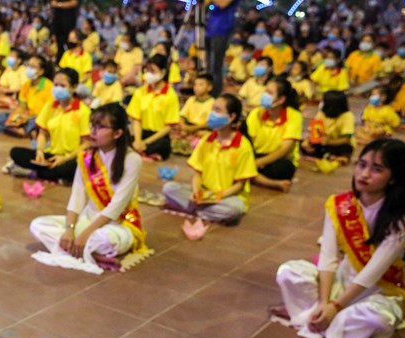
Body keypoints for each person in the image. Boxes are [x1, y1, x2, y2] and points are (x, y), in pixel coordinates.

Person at [273, 139, 405, 338]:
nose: (364, 174)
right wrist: (324, 301)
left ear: (393, 177)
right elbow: (328, 257)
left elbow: (371, 274)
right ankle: (324, 316)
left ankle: (313, 316)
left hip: (378, 289)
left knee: (378, 320)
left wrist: (335, 307)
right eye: (362, 164)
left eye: (377, 169)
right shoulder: (340, 205)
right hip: (341, 280)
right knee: (288, 272)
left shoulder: (399, 221)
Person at [30, 102, 147, 275]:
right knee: (38, 225)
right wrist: (70, 229)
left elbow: (117, 206)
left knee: (101, 240)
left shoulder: (132, 160)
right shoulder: (86, 157)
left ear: (117, 133)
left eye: (100, 127)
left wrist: (85, 234)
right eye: (93, 125)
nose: (93, 131)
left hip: (119, 225)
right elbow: (76, 197)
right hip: (87, 220)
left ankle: (82, 250)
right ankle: (91, 255)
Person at [163, 93, 258, 224]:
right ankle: (204, 211)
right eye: (213, 109)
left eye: (217, 110)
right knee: (169, 188)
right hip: (204, 192)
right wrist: (197, 193)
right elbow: (198, 174)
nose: (212, 113)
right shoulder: (207, 139)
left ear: (231, 117)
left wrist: (214, 197)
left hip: (227, 196)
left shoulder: (243, 146)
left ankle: (195, 210)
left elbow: (239, 185)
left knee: (235, 209)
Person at [6, 67, 90, 183]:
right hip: (51, 155)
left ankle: (37, 173)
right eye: (55, 85)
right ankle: (51, 175)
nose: (57, 89)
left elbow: (86, 143)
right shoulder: (50, 106)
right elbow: (42, 134)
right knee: (16, 152)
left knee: (77, 167)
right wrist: (40, 151)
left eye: (62, 86)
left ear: (74, 87)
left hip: (71, 158)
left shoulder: (83, 111)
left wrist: (66, 157)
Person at [246, 78, 303, 192]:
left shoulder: (294, 116)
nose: (265, 96)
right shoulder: (256, 113)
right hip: (257, 156)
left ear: (281, 99)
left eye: (270, 93)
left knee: (284, 168)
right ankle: (271, 183)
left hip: (278, 159)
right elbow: (248, 142)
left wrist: (256, 164)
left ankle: (249, 176)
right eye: (265, 92)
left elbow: (284, 150)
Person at [126, 54, 180, 160]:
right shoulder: (140, 92)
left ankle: (144, 151)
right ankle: (141, 150)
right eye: (147, 71)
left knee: (162, 145)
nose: (148, 74)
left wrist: (146, 142)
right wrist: (138, 140)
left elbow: (169, 126)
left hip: (158, 136)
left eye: (153, 71)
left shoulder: (171, 95)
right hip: (142, 132)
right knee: (125, 139)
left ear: (163, 72)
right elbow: (137, 120)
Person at [301, 90, 355, 163]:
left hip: (337, 144)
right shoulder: (322, 113)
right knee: (301, 144)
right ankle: (330, 157)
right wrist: (308, 142)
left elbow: (346, 139)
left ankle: (326, 156)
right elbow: (314, 132)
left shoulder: (347, 116)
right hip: (322, 143)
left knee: (346, 148)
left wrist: (330, 142)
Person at [205, 0, 241, 98]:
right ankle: (206, 88)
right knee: (208, 64)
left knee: (215, 65)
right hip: (210, 29)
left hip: (222, 30)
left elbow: (222, 4)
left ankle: (214, 93)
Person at [50, 0, 79, 64]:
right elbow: (53, 3)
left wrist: (59, 4)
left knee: (70, 45)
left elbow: (74, 3)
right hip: (57, 23)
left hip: (69, 23)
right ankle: (59, 63)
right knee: (59, 47)